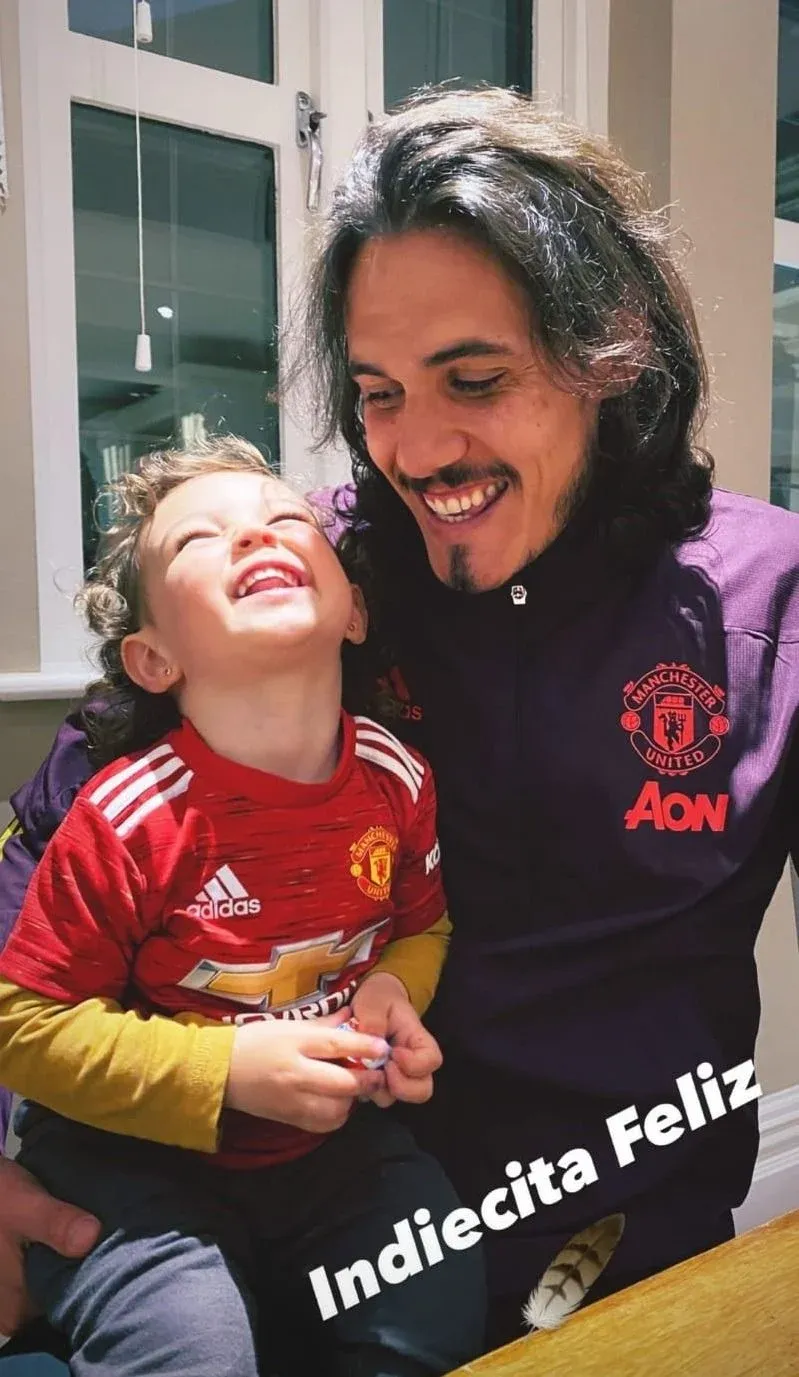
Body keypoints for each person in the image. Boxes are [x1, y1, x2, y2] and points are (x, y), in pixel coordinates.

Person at [2, 82, 799, 1359]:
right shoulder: (311, 581)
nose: (417, 452)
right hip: (281, 1243)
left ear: (609, 349)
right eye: (378, 395)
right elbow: (45, 864)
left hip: (615, 1259)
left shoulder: (769, 601)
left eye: (473, 379)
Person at [0, 437, 485, 1377]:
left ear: (353, 610)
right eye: (198, 540)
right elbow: (23, 1024)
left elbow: (423, 924)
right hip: (131, 1163)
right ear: (151, 658)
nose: (256, 536)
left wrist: (393, 990)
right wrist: (222, 1072)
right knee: (193, 1348)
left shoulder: (397, 777)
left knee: (437, 1284)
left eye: (287, 520)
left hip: (330, 1154)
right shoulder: (127, 817)